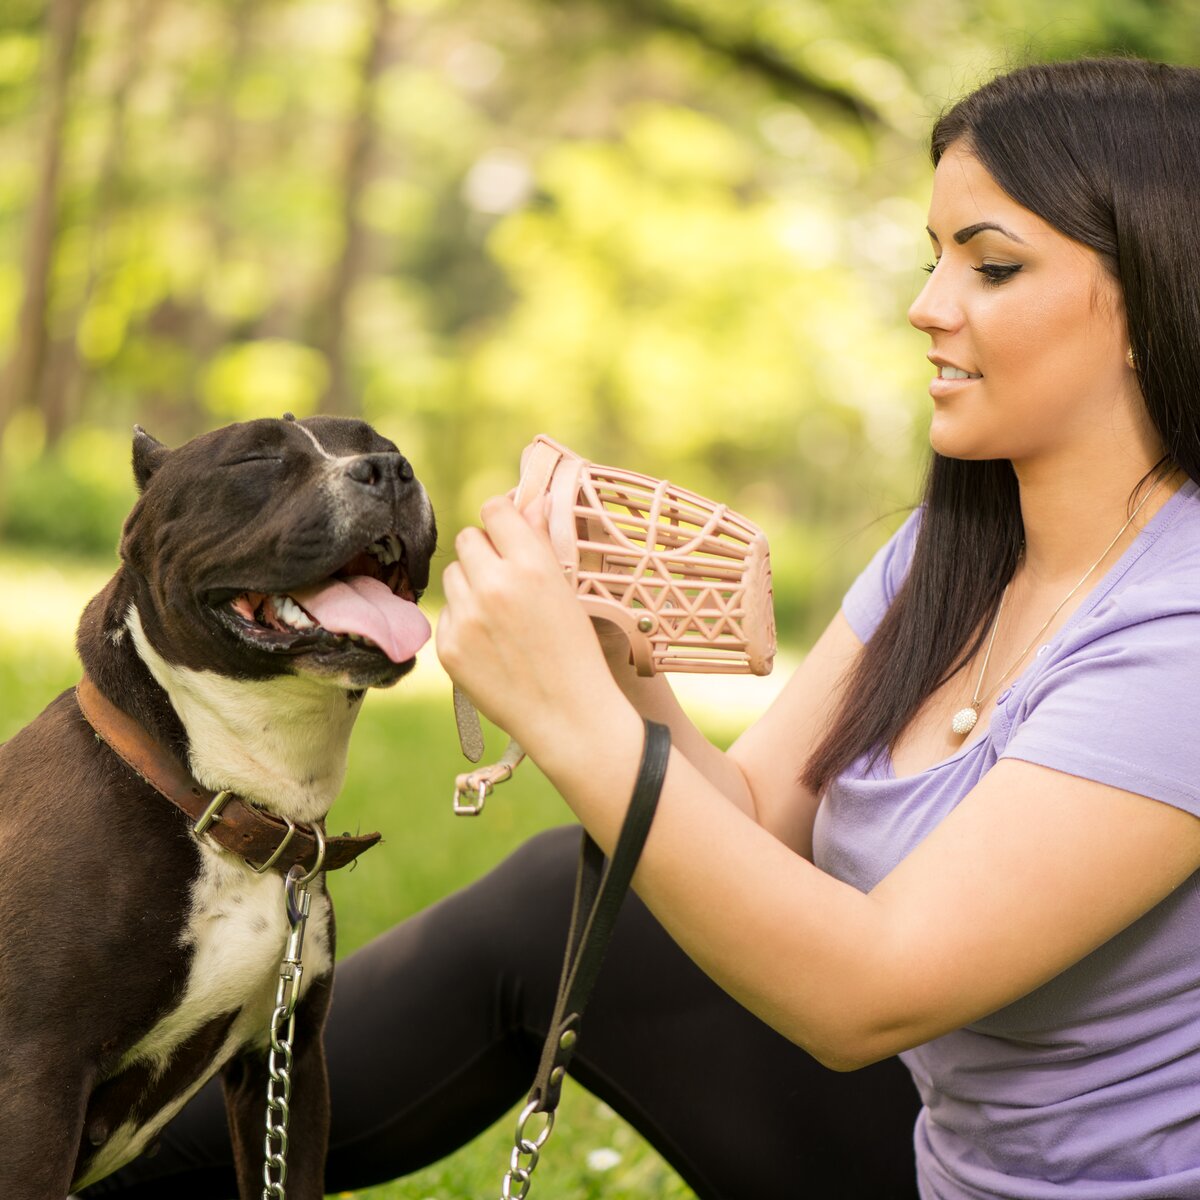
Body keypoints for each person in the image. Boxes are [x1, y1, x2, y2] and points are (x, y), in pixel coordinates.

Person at [84, 55, 1200, 1200]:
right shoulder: (949, 553)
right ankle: (88, 1171)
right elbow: (759, 824)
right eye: (932, 258)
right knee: (557, 903)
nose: (926, 305)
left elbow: (872, 991)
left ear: (1155, 294)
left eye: (993, 264)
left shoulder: (1183, 633)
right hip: (941, 1150)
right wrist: (627, 686)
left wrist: (571, 718)